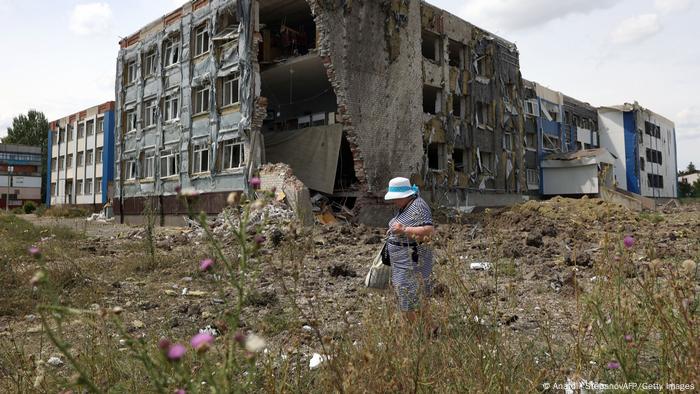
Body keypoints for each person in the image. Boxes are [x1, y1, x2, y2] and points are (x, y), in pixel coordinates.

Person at [384, 177, 435, 324]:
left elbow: (429, 231)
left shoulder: (418, 206)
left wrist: (404, 229)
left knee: (411, 296)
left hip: (413, 260)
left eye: (396, 198)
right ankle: (424, 328)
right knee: (408, 296)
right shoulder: (405, 206)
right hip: (402, 261)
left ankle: (420, 331)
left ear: (406, 195)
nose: (394, 201)